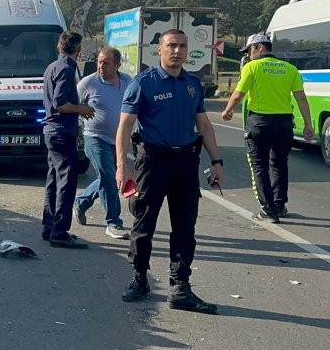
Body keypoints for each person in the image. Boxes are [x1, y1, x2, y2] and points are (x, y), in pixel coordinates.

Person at [115, 29, 225, 314]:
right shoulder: (143, 83)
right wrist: (121, 166)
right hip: (152, 162)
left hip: (185, 162)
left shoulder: (193, 85)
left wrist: (217, 162)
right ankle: (139, 279)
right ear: (159, 50)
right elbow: (125, 127)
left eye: (182, 46)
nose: (177, 51)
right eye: (171, 46)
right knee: (144, 225)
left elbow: (204, 126)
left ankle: (180, 287)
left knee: (185, 228)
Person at [220, 34, 314, 221]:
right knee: (280, 165)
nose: (249, 55)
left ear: (260, 47)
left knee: (259, 167)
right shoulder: (290, 68)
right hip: (284, 124)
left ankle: (268, 209)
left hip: (260, 123)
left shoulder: (252, 67)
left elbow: (239, 94)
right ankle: (279, 206)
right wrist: (308, 124)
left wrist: (228, 110)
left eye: (250, 50)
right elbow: (301, 98)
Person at [41, 30, 95, 249]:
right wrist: (82, 108)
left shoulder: (52, 67)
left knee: (53, 179)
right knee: (66, 181)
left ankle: (49, 225)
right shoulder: (66, 69)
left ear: (59, 47)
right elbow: (60, 103)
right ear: (79, 49)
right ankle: (60, 231)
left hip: (52, 131)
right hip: (62, 130)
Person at [74, 47, 132, 240]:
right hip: (94, 137)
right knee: (108, 177)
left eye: (106, 63)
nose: (101, 66)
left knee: (111, 178)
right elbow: (72, 105)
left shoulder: (127, 83)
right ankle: (113, 222)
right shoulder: (88, 83)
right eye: (99, 62)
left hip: (118, 140)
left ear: (117, 65)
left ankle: (81, 201)